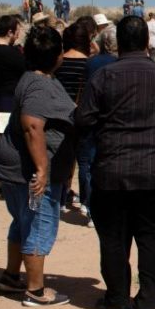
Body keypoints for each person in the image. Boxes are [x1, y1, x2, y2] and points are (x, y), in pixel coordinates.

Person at [76, 16, 155, 309]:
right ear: (148, 43)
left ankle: (117, 299)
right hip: (154, 174)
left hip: (111, 173)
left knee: (113, 239)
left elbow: (84, 120)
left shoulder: (104, 76)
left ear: (118, 43)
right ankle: (147, 303)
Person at [0, 26, 76, 307]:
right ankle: (36, 291)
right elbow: (32, 125)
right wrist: (42, 169)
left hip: (16, 169)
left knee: (23, 222)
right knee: (39, 225)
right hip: (30, 172)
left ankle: (11, 277)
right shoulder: (40, 84)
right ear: (57, 55)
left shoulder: (34, 79)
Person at [55, 22, 94, 221]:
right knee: (85, 164)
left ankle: (60, 200)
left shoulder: (59, 62)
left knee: (63, 160)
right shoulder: (89, 64)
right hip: (82, 116)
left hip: (60, 116)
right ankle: (86, 204)